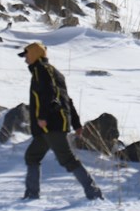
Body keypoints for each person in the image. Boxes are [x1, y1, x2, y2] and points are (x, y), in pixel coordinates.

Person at [19, 41, 103, 201]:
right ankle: (31, 194)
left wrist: (43, 117)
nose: (25, 60)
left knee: (67, 159)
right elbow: (66, 100)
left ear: (35, 55)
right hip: (53, 124)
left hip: (50, 125)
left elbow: (48, 93)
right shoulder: (55, 73)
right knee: (32, 156)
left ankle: (94, 192)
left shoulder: (40, 70)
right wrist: (76, 124)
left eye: (27, 55)